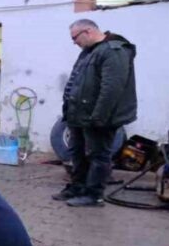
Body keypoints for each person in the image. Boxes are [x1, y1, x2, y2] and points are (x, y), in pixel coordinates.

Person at [54, 19, 137, 207]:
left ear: (89, 31)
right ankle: (78, 187)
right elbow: (77, 81)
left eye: (75, 38)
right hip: (79, 116)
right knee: (77, 153)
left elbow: (112, 88)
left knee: (98, 155)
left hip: (99, 117)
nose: (74, 42)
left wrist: (99, 117)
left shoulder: (114, 51)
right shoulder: (89, 52)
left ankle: (94, 195)